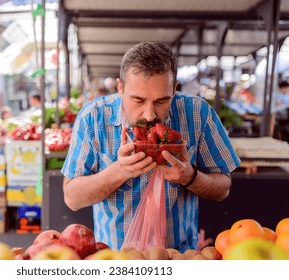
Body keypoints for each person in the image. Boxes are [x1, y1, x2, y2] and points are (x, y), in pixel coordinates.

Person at [61, 42, 241, 253]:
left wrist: (190, 177)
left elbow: (223, 188)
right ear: (121, 87)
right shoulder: (93, 117)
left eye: (162, 101)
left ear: (175, 89)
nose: (149, 114)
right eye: (138, 100)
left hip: (179, 258)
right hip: (114, 259)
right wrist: (118, 171)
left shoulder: (199, 113)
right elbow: (72, 198)